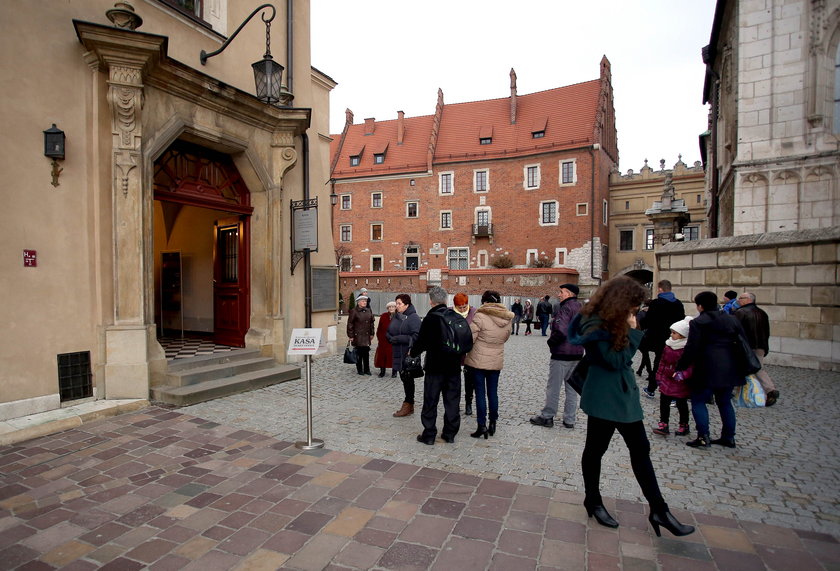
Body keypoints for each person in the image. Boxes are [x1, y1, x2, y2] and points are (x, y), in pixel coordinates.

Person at [568, 276, 694, 537]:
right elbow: (616, 360)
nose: (635, 310)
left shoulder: (614, 321)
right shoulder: (595, 325)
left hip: (623, 395)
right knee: (596, 450)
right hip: (604, 397)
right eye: (633, 306)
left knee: (640, 449)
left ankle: (659, 509)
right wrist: (633, 328)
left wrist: (629, 326)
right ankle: (593, 500)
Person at [676, 291, 747, 449]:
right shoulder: (731, 319)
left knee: (699, 401)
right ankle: (729, 437)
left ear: (700, 306)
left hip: (706, 367)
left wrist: (680, 366)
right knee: (725, 402)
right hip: (729, 367)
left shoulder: (698, 322)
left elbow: (691, 348)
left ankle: (703, 436)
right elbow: (742, 341)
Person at [411, 287, 463, 444]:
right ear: (446, 300)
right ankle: (450, 434)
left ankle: (429, 434)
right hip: (453, 366)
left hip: (435, 367)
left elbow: (421, 342)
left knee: (430, 401)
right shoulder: (455, 316)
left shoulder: (430, 318)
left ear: (431, 301)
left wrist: (413, 353)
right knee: (452, 401)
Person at [530, 284, 583, 429]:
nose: (559, 295)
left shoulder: (565, 308)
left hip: (562, 353)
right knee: (572, 389)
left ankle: (547, 416)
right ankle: (569, 419)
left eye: (561, 292)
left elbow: (561, 331)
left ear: (569, 294)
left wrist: (551, 343)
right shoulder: (582, 308)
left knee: (553, 387)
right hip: (577, 353)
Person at [464, 291, 514, 439]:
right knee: (493, 393)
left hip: (478, 360)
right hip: (496, 359)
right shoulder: (507, 317)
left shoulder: (480, 316)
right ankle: (493, 423)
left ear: (484, 302)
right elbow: (505, 338)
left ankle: (481, 425)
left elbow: (471, 338)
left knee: (480, 393)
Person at [640, 280, 685, 398]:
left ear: (660, 289)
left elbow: (648, 321)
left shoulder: (656, 303)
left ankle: (651, 388)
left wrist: (639, 325)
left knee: (658, 362)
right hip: (674, 338)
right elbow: (681, 321)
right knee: (672, 363)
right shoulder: (678, 304)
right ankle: (673, 391)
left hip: (657, 337)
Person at [734, 292, 779, 406]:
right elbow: (767, 332)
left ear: (749, 299)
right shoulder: (762, 312)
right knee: (753, 368)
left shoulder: (741, 312)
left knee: (754, 368)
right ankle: (740, 392)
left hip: (746, 346)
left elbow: (735, 329)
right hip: (760, 345)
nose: (739, 300)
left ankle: (769, 389)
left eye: (741, 298)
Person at [651, 317, 694, 437]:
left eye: (674, 333)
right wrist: (659, 376)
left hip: (679, 381)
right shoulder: (668, 345)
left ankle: (684, 424)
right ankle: (664, 424)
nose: (672, 334)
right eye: (672, 332)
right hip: (666, 378)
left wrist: (683, 375)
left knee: (681, 403)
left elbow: (690, 366)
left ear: (682, 335)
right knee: (664, 402)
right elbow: (662, 362)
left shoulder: (687, 348)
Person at [387, 294, 421, 417]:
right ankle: (409, 404)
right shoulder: (396, 316)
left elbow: (417, 336)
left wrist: (399, 338)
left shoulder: (413, 318)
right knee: (403, 378)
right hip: (397, 352)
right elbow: (389, 331)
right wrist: (390, 337)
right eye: (396, 303)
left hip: (407, 354)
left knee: (408, 379)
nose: (397, 306)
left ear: (407, 305)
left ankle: (408, 404)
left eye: (399, 303)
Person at [452, 293, 478, 416]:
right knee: (454, 379)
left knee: (469, 378)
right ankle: (454, 403)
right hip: (455, 350)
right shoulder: (450, 312)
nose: (462, 309)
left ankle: (468, 402)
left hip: (470, 350)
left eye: (464, 306)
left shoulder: (474, 312)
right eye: (460, 307)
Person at [346, 295, 375, 375]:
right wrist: (351, 335)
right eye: (363, 301)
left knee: (366, 353)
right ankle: (359, 369)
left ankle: (367, 370)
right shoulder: (354, 311)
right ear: (358, 303)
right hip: (357, 336)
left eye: (365, 301)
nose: (364, 302)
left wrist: (372, 333)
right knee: (358, 353)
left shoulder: (369, 310)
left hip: (366, 336)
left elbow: (371, 323)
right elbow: (350, 324)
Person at [374, 301, 397, 377]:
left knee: (393, 356)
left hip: (394, 340)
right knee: (382, 356)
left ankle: (394, 372)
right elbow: (379, 328)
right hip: (383, 340)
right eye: (389, 307)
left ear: (395, 307)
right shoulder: (383, 316)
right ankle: (382, 371)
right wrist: (379, 338)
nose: (391, 308)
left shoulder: (398, 316)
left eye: (392, 306)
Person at [635, 300, 654, 378]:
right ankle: (640, 370)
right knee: (645, 353)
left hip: (642, 336)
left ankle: (650, 372)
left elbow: (637, 324)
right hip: (650, 335)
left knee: (645, 354)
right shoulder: (654, 313)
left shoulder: (641, 313)